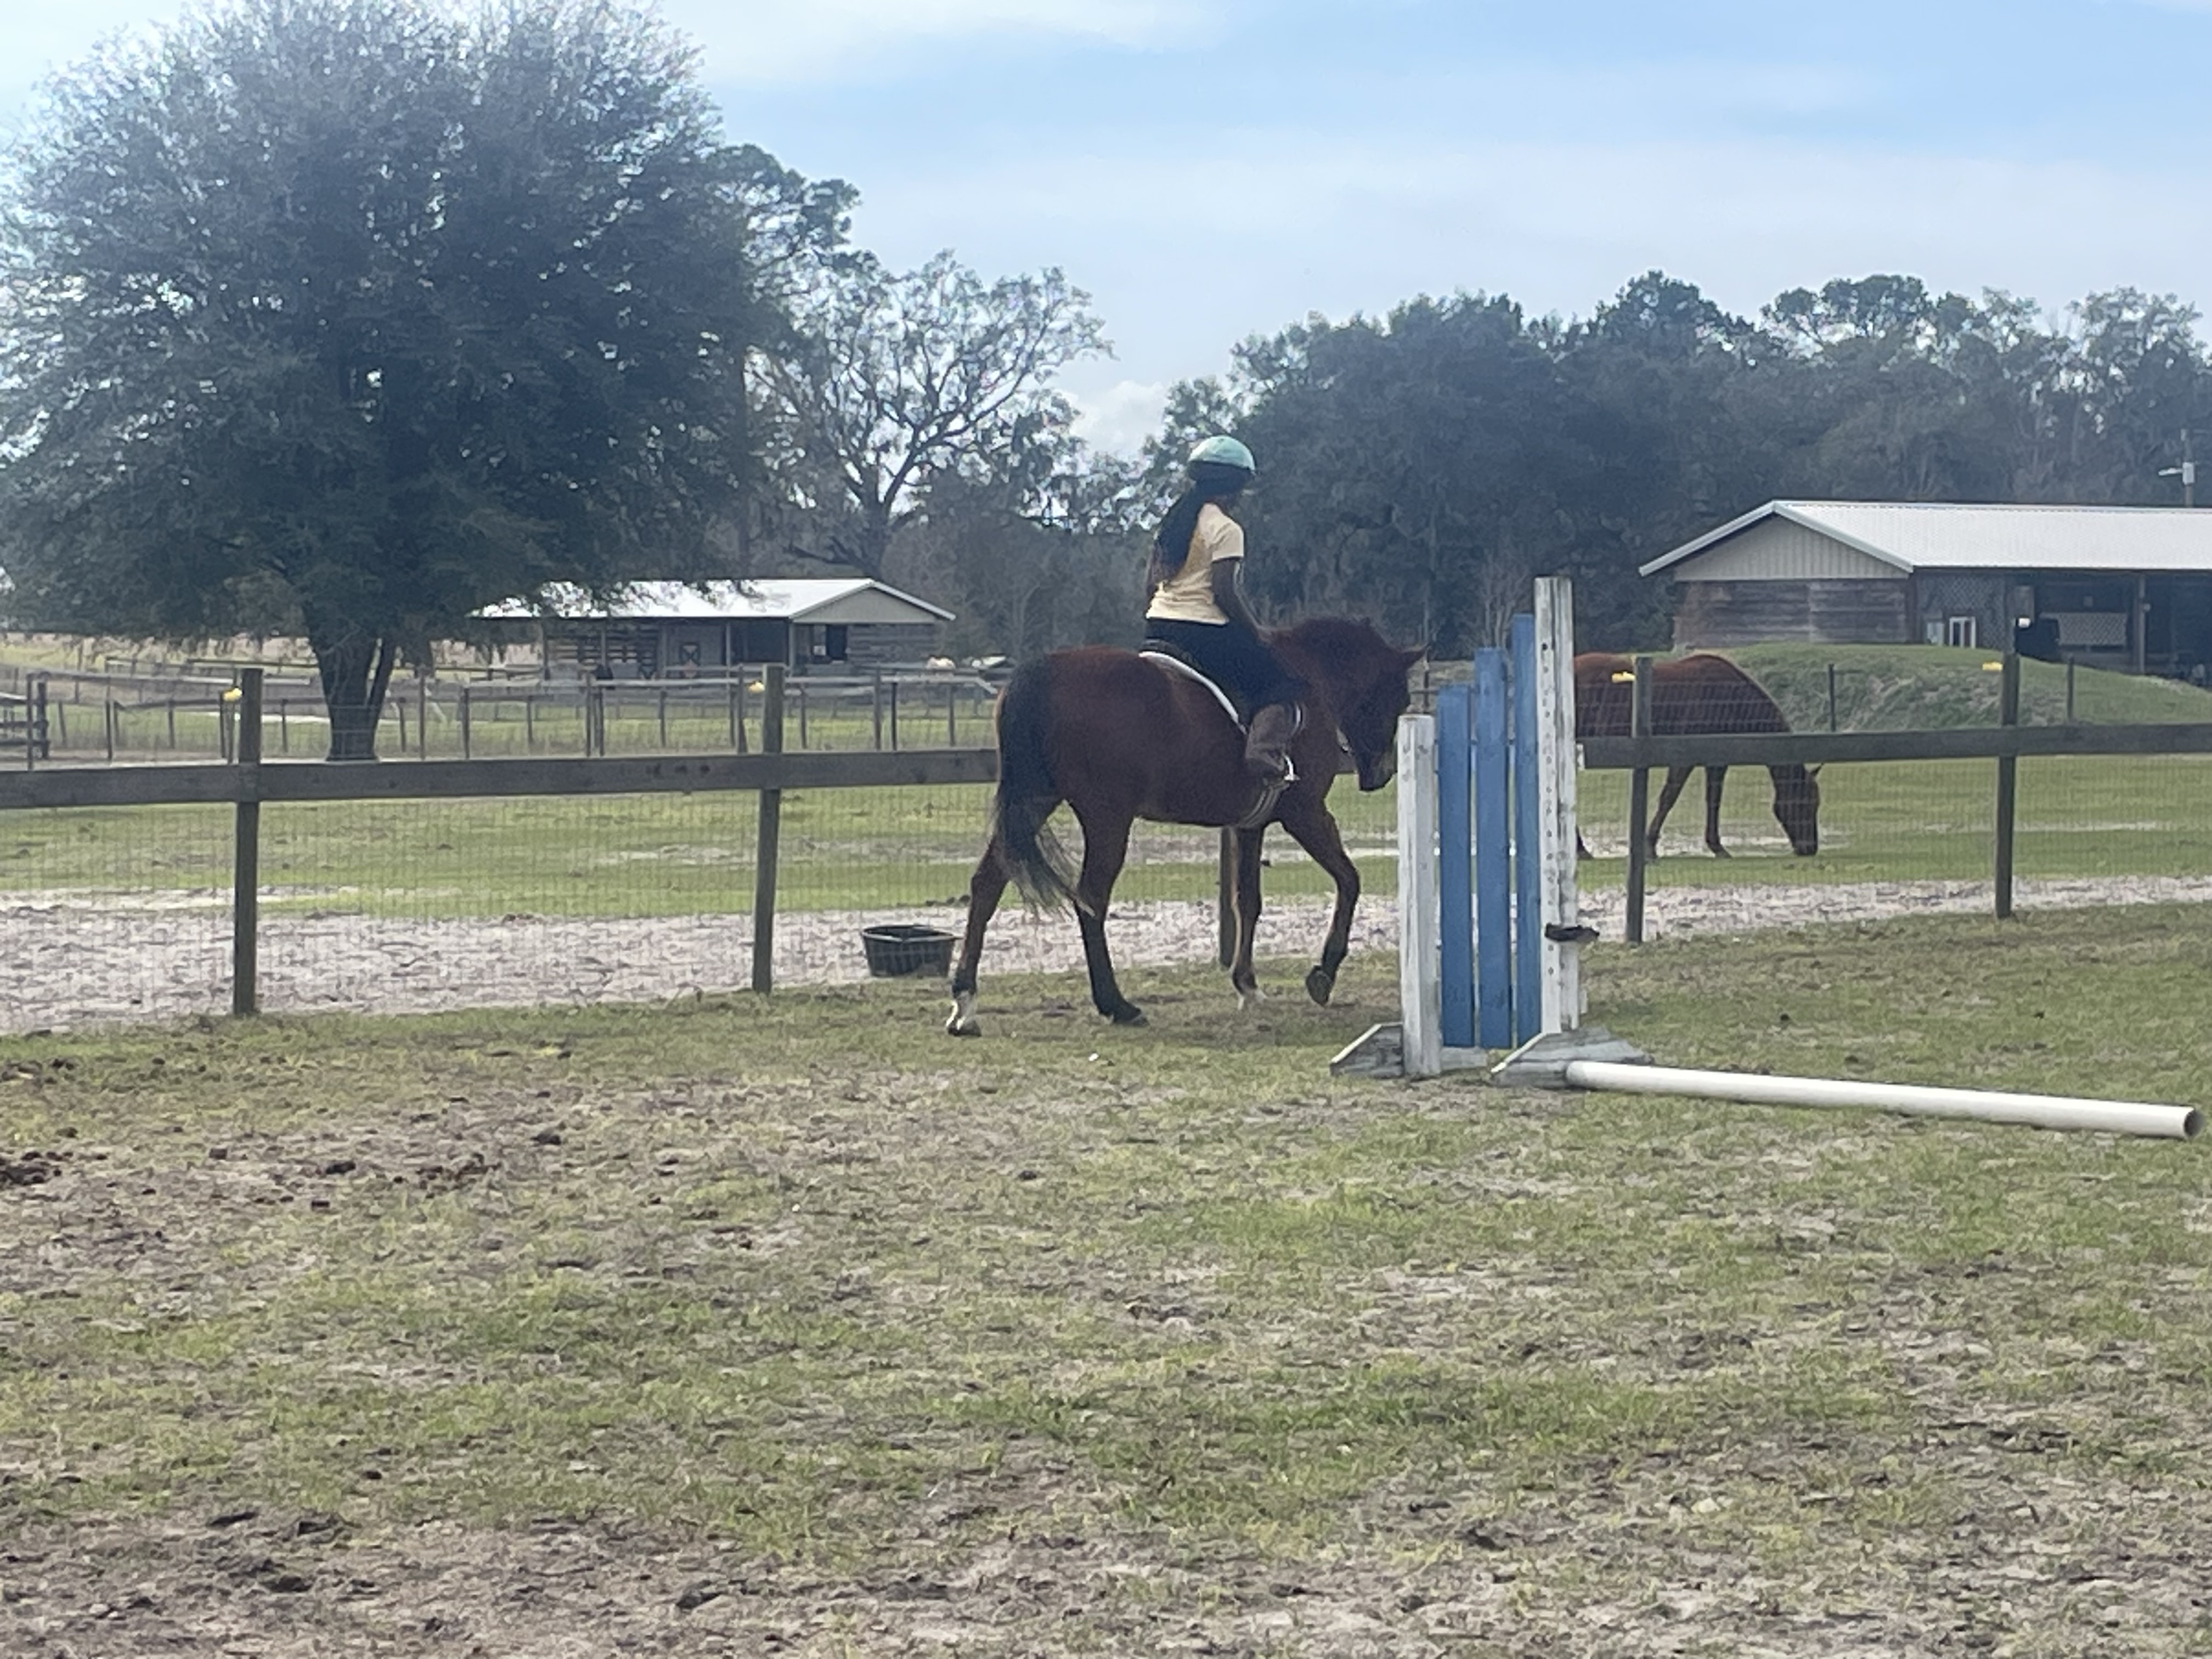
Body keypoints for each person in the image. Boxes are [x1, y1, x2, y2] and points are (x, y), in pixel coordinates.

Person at [1143, 435, 1306, 784]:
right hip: (1203, 630)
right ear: (1235, 486)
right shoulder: (1226, 529)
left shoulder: (1171, 525)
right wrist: (1255, 631)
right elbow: (1224, 592)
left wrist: (1153, 617)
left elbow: (1149, 583)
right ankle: (1263, 752)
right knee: (1283, 683)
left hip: (1157, 626)